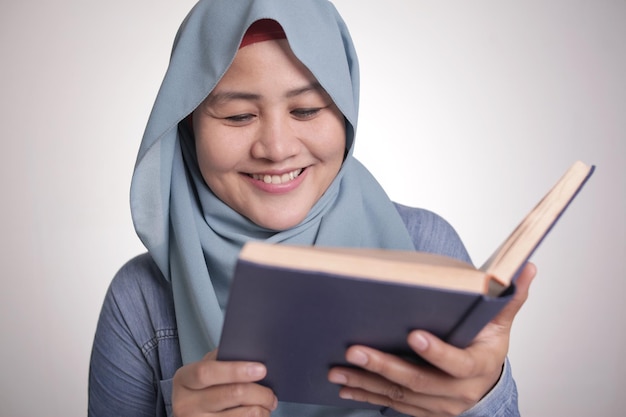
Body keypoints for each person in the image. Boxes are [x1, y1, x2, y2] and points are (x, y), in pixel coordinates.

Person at [88, 0, 535, 416]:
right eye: (239, 116)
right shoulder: (140, 300)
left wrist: (482, 393)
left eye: (306, 109)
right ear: (188, 129)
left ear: (345, 112)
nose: (277, 148)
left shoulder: (427, 248)